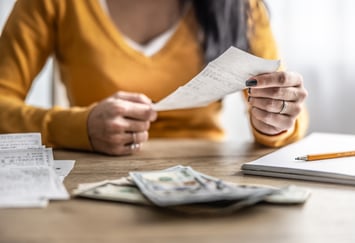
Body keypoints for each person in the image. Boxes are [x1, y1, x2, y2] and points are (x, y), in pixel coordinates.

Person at [0, 0, 308, 155]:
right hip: (92, 174)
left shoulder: (239, 6)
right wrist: (80, 127)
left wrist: (276, 120)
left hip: (210, 176)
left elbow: (287, 112)